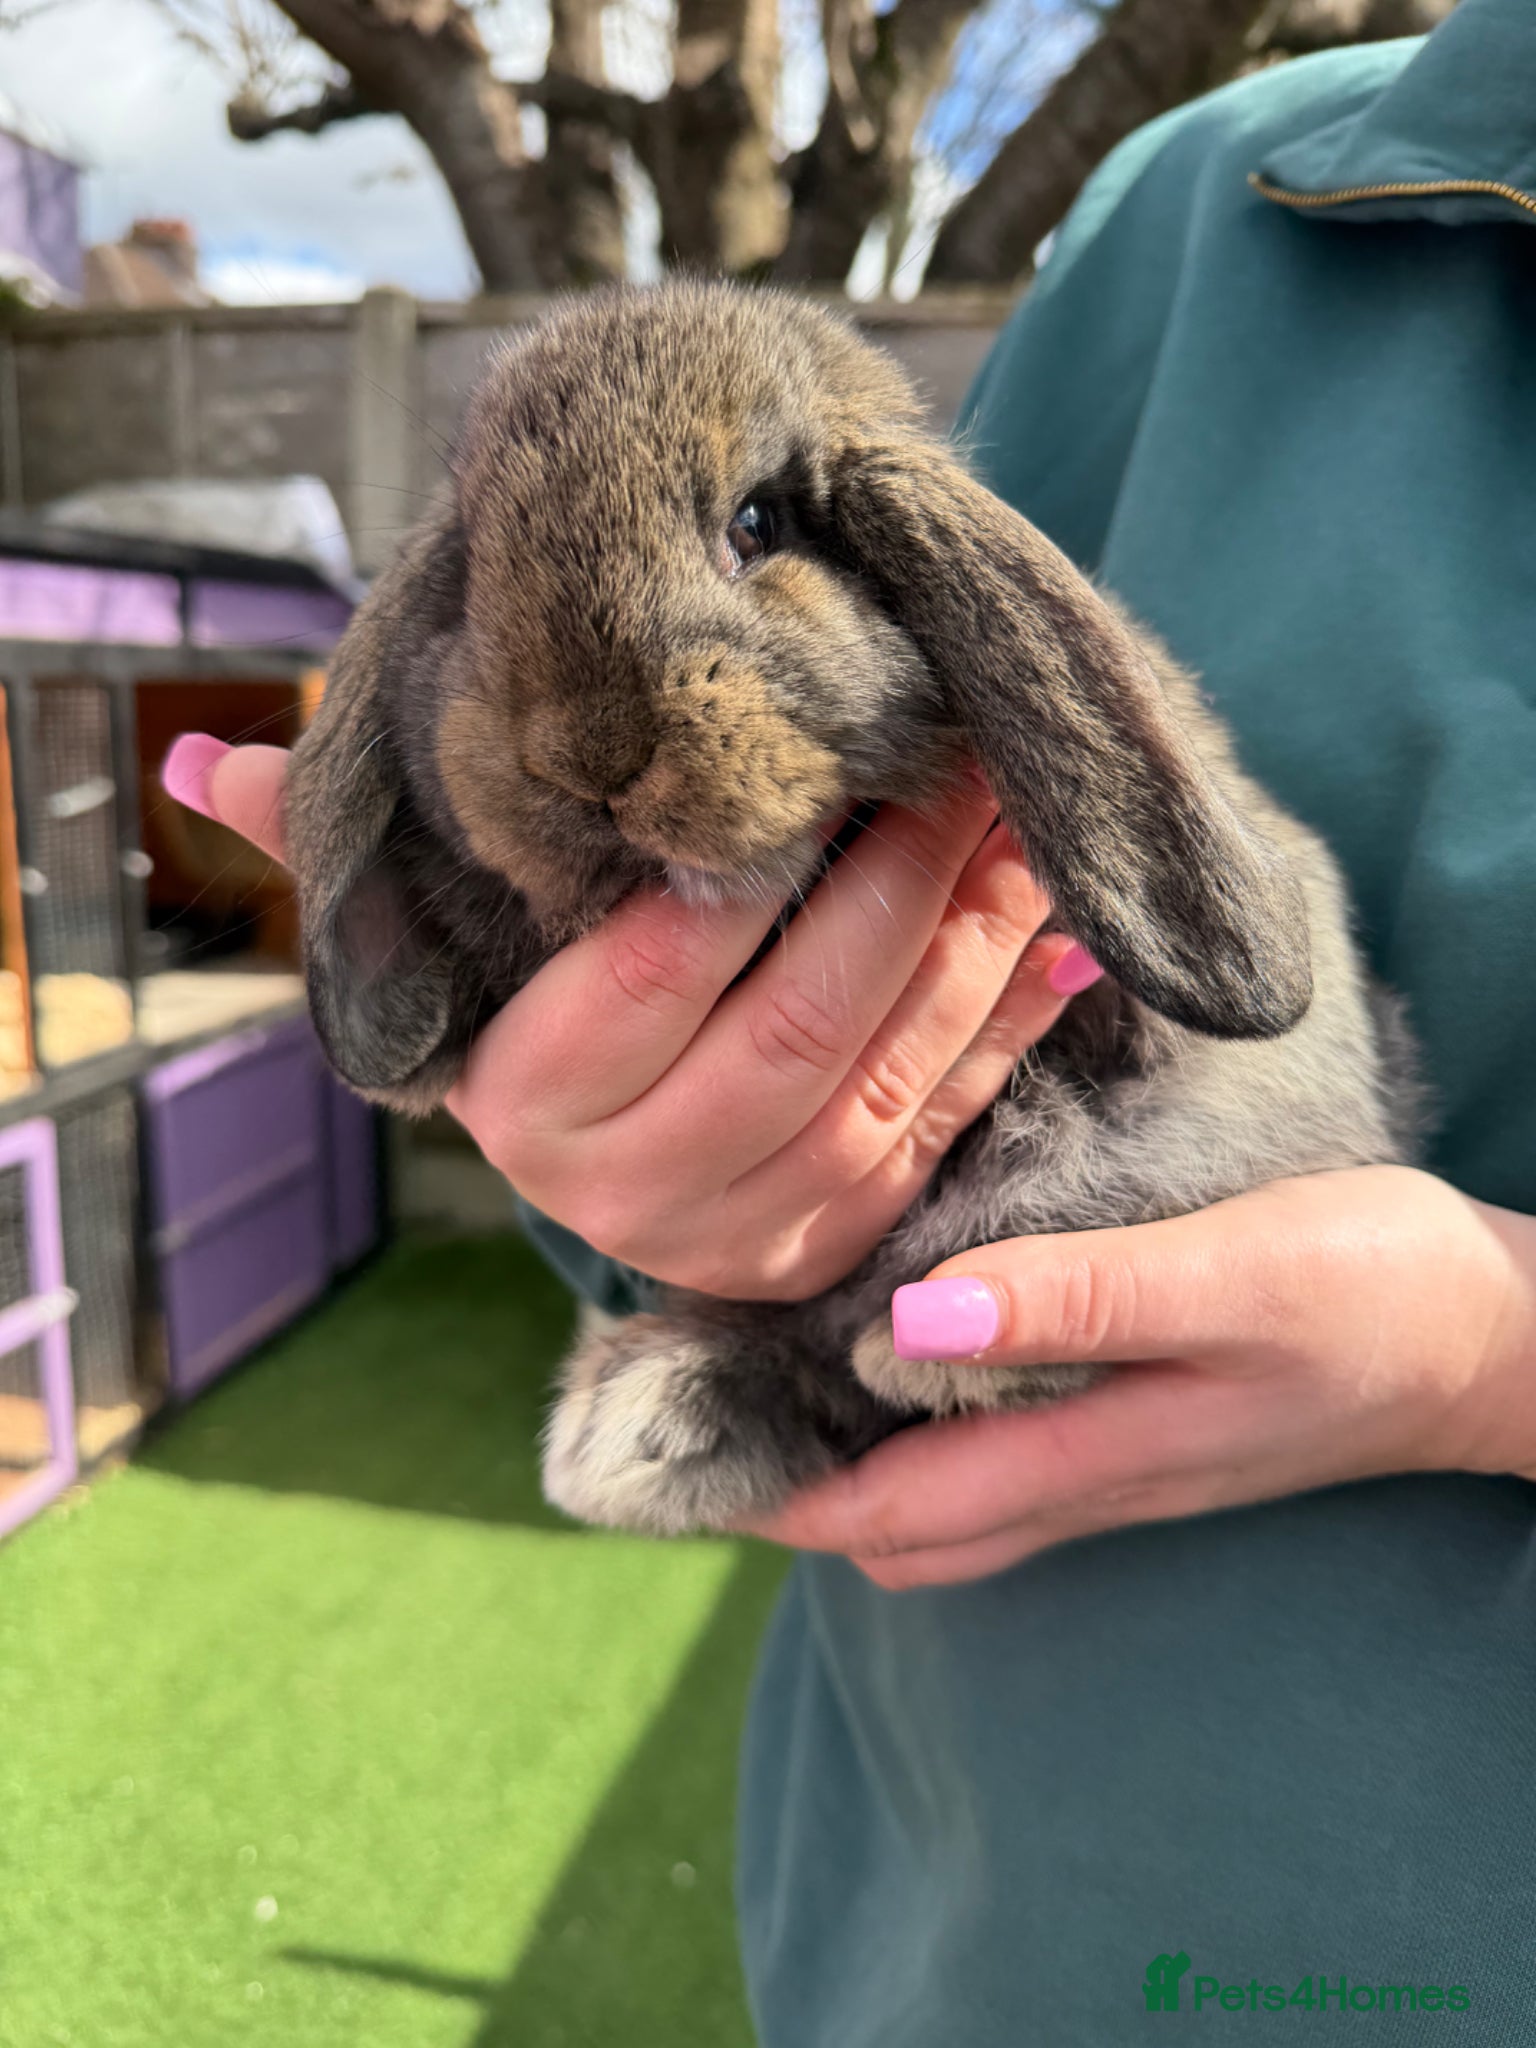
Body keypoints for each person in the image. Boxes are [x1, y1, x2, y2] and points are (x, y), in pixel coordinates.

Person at [164, 2, 1536, 2034]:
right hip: (948, 1912)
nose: (593, 733)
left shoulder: (998, 580)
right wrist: (630, 1155)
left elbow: (1202, 894)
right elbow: (582, 1148)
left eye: (748, 537)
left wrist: (1487, 1355)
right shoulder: (1195, 209)